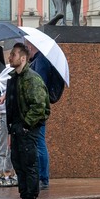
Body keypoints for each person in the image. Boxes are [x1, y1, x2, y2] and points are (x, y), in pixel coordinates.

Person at [6, 43, 50, 199]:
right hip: (16, 128)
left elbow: (39, 106)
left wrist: (26, 125)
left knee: (29, 165)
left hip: (27, 129)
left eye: (13, 55)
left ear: (23, 58)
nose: (10, 57)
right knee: (19, 164)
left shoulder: (32, 79)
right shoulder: (15, 78)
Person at [26, 41, 63, 190]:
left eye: (25, 46)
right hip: (37, 107)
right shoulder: (37, 60)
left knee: (39, 142)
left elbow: (39, 85)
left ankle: (43, 178)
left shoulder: (40, 61)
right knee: (37, 142)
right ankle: (40, 177)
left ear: (30, 46)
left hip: (38, 108)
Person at [0, 65, 17, 188]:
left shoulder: (6, 71)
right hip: (4, 113)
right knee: (2, 146)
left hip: (10, 112)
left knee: (9, 146)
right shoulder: (8, 71)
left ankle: (6, 174)